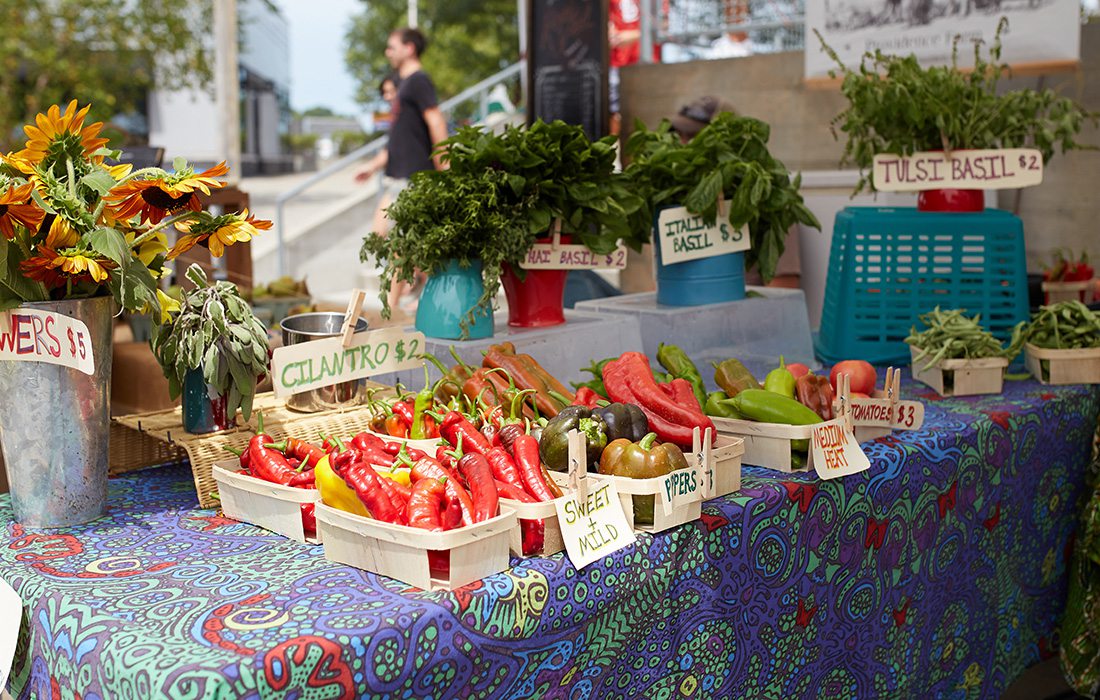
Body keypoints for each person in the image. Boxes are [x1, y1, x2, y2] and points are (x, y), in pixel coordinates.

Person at [356, 28, 448, 311]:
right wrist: (371, 167)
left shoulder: (418, 81)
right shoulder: (403, 84)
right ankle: (412, 291)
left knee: (399, 244)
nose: (387, 52)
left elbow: (435, 121)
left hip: (414, 177)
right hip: (397, 177)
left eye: (391, 46)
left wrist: (444, 165)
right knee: (383, 236)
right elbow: (399, 139)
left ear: (409, 48)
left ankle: (394, 308)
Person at [670, 95, 801, 289]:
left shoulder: (768, 201)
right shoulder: (675, 198)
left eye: (692, 137)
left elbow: (784, 290)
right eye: (679, 135)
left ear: (729, 142)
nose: (682, 144)